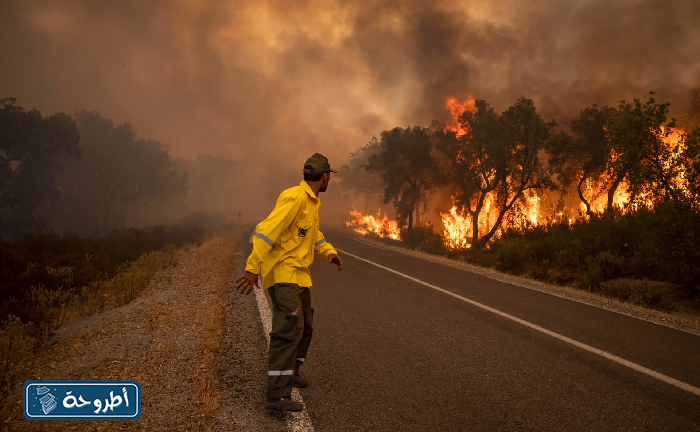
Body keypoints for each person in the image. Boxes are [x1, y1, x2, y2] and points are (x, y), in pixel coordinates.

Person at [234, 153, 344, 412]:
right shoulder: (294, 197)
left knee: (305, 327)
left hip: (300, 275)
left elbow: (313, 235)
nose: (330, 180)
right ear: (325, 176)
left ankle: (291, 371)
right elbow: (265, 231)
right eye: (330, 176)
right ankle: (277, 394)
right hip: (283, 274)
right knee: (286, 329)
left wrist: (328, 252)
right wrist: (252, 268)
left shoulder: (312, 202)